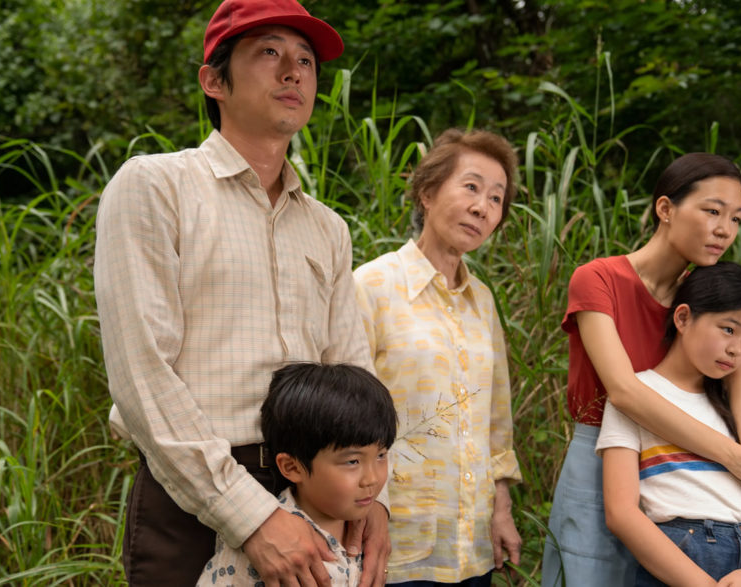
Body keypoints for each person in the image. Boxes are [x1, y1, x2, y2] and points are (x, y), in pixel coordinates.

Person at [94, 1, 389, 585]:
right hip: (191, 498)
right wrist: (253, 518)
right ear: (214, 80)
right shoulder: (155, 187)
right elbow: (142, 377)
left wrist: (374, 496)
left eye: (306, 60)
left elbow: (350, 370)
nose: (294, 72)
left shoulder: (327, 227)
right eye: (270, 53)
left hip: (316, 489)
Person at [540, 153, 741, 587]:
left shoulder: (702, 293)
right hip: (608, 452)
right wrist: (736, 459)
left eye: (736, 218)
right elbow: (624, 392)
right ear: (665, 209)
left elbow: (737, 388)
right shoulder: (599, 279)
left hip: (682, 469)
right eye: (712, 211)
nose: (725, 230)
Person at [354, 128, 522, 587]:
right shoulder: (372, 287)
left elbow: (496, 420)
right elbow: (347, 421)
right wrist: (366, 512)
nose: (481, 207)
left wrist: (501, 508)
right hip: (396, 541)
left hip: (472, 545)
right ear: (427, 193)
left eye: (495, 198)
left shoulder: (482, 300)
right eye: (470, 187)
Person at [599, 262, 741, 586]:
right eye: (728, 329)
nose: (737, 350)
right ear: (682, 318)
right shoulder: (639, 399)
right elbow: (621, 513)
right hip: (681, 563)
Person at [197, 363, 398, 587]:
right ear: (292, 467)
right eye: (352, 461)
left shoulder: (365, 537)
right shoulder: (259, 551)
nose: (371, 479)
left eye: (381, 455)